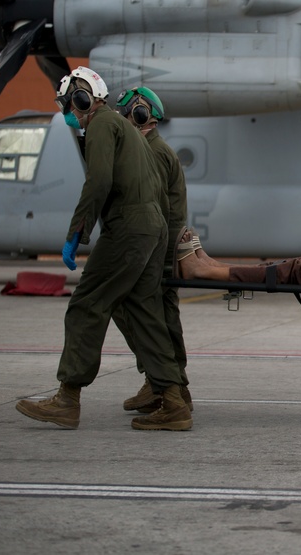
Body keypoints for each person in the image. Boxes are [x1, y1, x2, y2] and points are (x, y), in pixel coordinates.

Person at [15, 67, 192, 432]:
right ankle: (174, 402)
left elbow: (98, 181)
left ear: (82, 99)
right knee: (145, 312)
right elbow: (159, 194)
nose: (70, 112)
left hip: (129, 228)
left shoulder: (100, 125)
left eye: (70, 104)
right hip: (151, 227)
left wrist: (76, 232)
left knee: (87, 304)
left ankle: (67, 399)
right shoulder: (129, 131)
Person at [110, 86, 193, 415]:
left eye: (126, 113)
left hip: (158, 245)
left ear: (141, 114)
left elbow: (149, 206)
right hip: (165, 243)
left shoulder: (151, 152)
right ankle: (171, 386)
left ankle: (163, 383)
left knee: (141, 311)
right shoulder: (153, 149)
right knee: (162, 315)